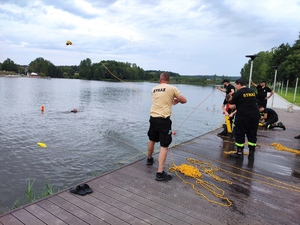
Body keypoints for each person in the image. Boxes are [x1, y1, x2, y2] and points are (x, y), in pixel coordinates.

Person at [147, 72, 187, 181]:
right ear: (168, 80)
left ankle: (149, 159)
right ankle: (160, 173)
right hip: (163, 120)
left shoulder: (154, 89)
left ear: (160, 80)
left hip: (153, 118)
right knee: (164, 145)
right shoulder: (172, 88)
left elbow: (166, 101)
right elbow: (184, 100)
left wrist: (173, 101)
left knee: (152, 139)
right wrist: (177, 100)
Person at [229, 79, 260, 161]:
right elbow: (255, 101)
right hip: (255, 116)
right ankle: (251, 154)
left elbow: (231, 106)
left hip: (243, 116)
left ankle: (239, 153)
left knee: (239, 133)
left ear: (239, 84)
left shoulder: (238, 93)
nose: (235, 87)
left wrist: (232, 99)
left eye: (236, 85)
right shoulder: (252, 91)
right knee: (252, 134)